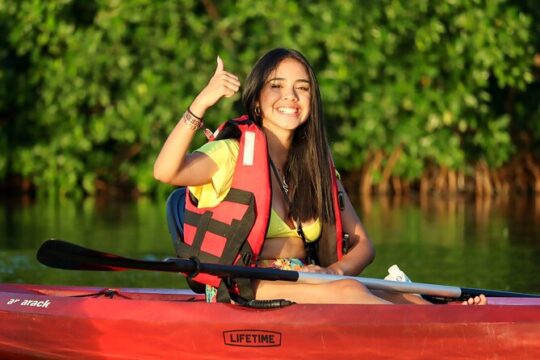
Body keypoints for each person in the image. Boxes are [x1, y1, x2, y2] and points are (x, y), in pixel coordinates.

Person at [154, 48, 486, 305]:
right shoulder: (231, 153)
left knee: (404, 296)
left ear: (313, 100)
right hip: (242, 285)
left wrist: (331, 272)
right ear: (256, 101)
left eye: (302, 88)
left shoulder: (315, 166)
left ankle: (451, 317)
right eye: (277, 86)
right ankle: (442, 329)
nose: (291, 97)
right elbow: (166, 171)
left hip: (307, 280)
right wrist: (202, 102)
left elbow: (363, 246)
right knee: (347, 293)